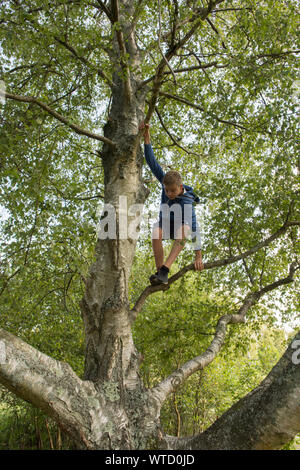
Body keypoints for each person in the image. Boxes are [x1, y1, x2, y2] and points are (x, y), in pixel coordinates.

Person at [139, 122, 204, 285]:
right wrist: (146, 136)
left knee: (186, 228)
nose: (169, 194)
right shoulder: (165, 182)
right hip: (165, 224)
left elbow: (195, 226)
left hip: (178, 229)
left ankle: (165, 270)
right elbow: (151, 161)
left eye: (172, 191)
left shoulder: (187, 201)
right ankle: (159, 274)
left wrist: (198, 255)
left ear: (180, 187)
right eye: (166, 190)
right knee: (156, 230)